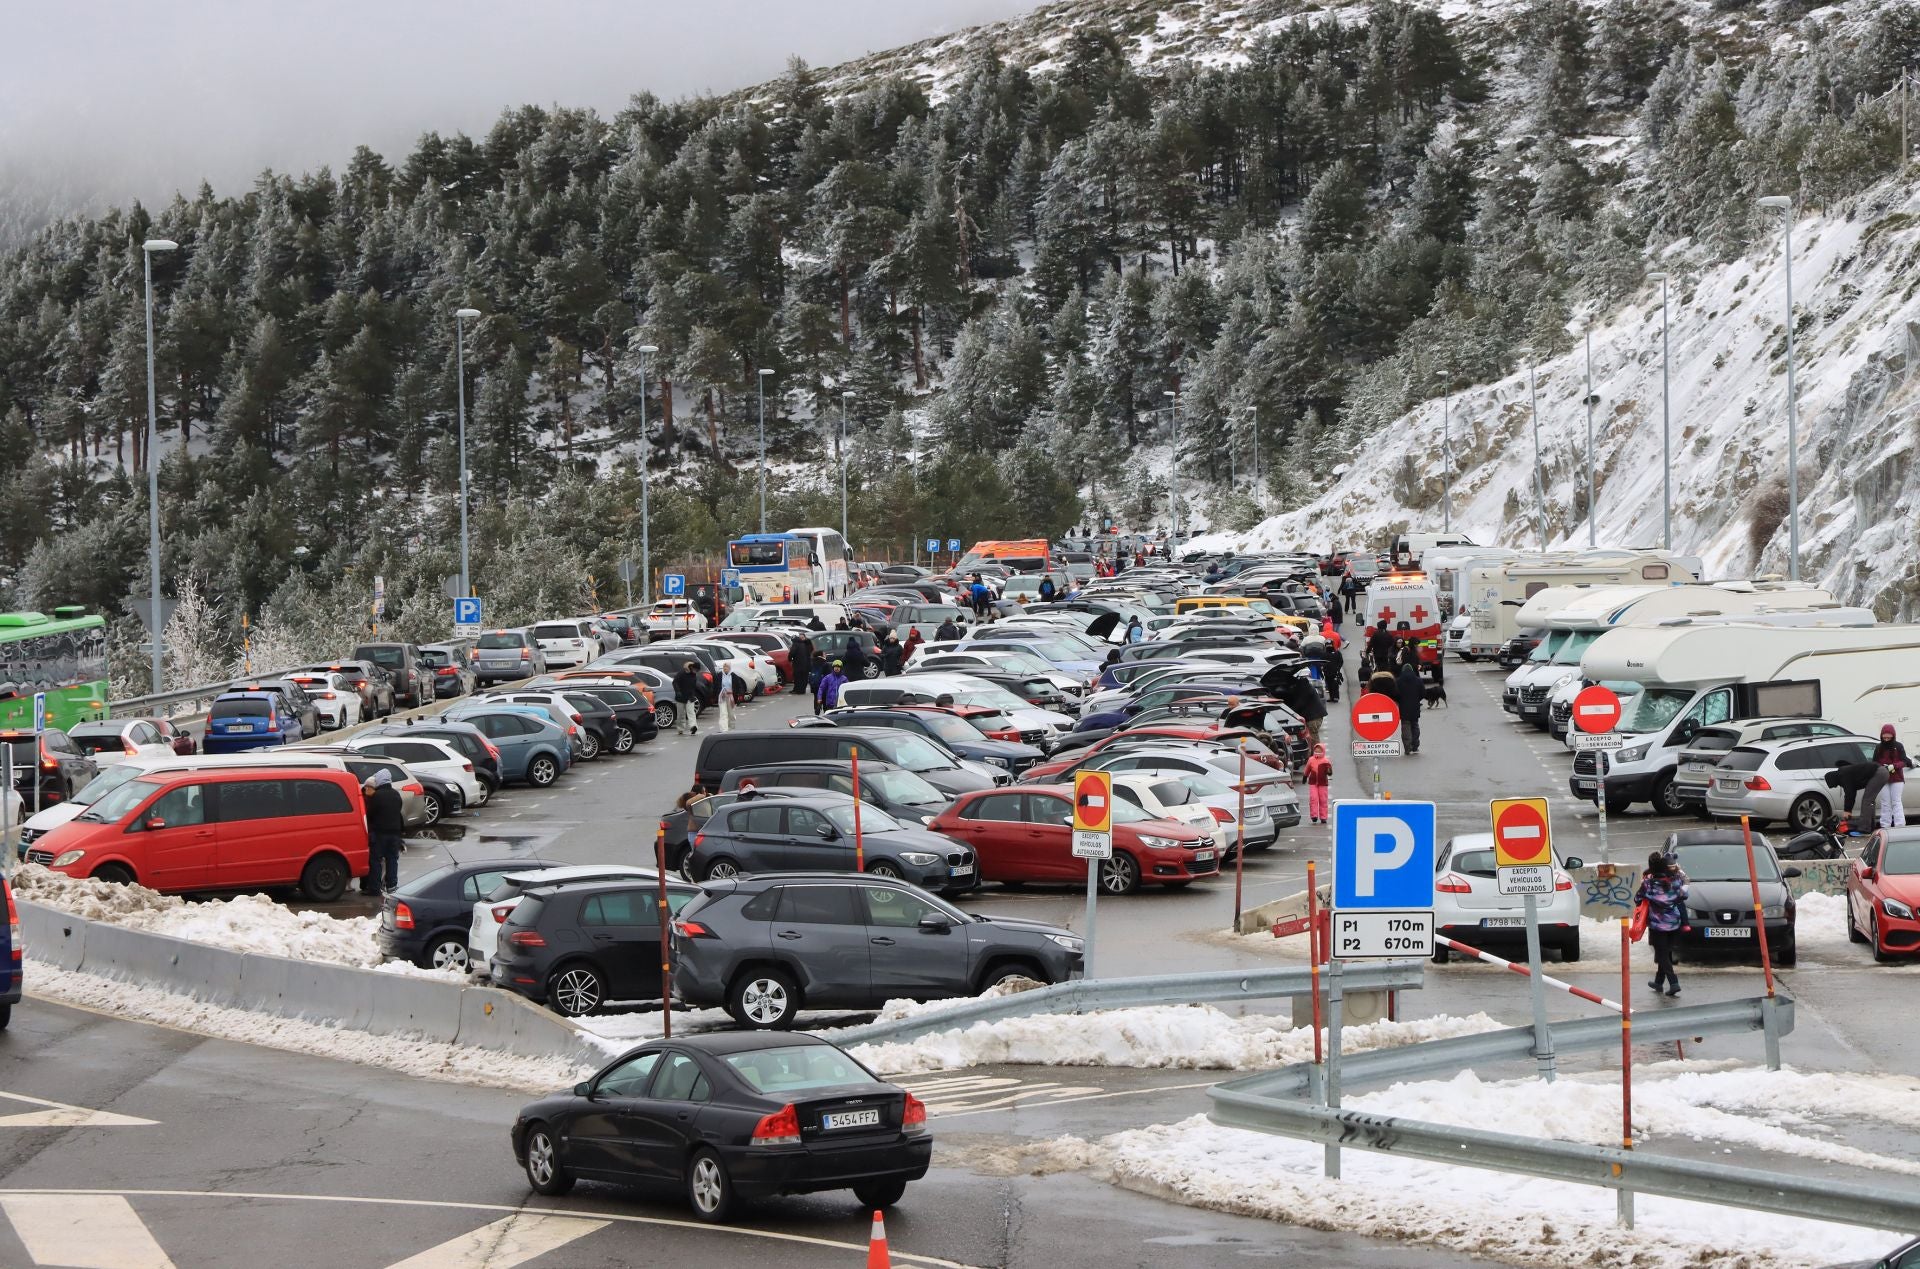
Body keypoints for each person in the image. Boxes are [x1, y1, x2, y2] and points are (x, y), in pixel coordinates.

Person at [1636, 851, 1689, 997]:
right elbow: (1684, 895)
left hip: (1658, 925)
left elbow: (1637, 898)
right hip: (1674, 923)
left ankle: (1674, 982)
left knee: (1662, 953)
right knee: (1666, 952)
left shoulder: (1649, 884)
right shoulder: (1675, 881)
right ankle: (1658, 982)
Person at [361, 770, 404, 896]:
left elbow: (370, 814)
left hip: (379, 833)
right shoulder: (396, 794)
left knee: (375, 860)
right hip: (394, 833)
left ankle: (374, 888)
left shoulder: (377, 796)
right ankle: (392, 885)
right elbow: (399, 810)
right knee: (392, 859)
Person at [1826, 759, 1887, 833]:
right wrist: (1848, 810)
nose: (1836, 786)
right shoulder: (1843, 773)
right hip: (1881, 771)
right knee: (1869, 801)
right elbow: (1851, 792)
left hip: (1878, 773)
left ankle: (1865, 828)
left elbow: (1850, 793)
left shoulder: (1843, 775)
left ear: (1833, 779)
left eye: (1834, 785)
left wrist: (1847, 810)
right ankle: (1870, 826)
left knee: (1867, 801)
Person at [1874, 724, 1913, 827]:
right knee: (1885, 802)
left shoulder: (1898, 746)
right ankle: (1885, 825)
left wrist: (1893, 766)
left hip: (1897, 778)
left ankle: (1900, 825)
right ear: (1881, 736)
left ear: (1893, 736)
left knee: (1896, 801)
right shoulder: (1878, 747)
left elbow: (1904, 761)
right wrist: (1882, 767)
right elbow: (1874, 762)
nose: (1886, 739)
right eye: (1884, 737)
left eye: (1888, 737)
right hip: (1883, 778)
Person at [1395, 659, 1424, 755]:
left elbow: (1395, 694)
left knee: (1405, 726)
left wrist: (1400, 701)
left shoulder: (1398, 681)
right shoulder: (1418, 680)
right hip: (1415, 707)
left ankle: (1407, 747)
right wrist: (1417, 700)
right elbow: (1423, 693)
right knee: (1415, 725)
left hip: (1403, 707)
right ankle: (1415, 746)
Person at [1303, 743, 1333, 824]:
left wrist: (1329, 771)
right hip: (1313, 782)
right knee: (1313, 798)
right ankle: (1314, 816)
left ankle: (1323, 817)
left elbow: (1330, 772)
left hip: (1323, 783)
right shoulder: (1311, 760)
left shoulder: (1326, 761)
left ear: (1323, 751)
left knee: (1323, 800)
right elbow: (1307, 769)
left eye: (1319, 751)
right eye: (1316, 751)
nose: (1317, 752)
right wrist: (1305, 777)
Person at [672, 660, 703, 735]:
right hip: (681, 697)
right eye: (696, 670)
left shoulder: (694, 675)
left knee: (691, 712)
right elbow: (675, 682)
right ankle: (680, 728)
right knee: (680, 714)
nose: (696, 671)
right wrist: (678, 691)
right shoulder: (682, 673)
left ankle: (693, 726)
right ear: (692, 667)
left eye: (697, 670)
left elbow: (693, 686)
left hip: (690, 697)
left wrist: (692, 694)